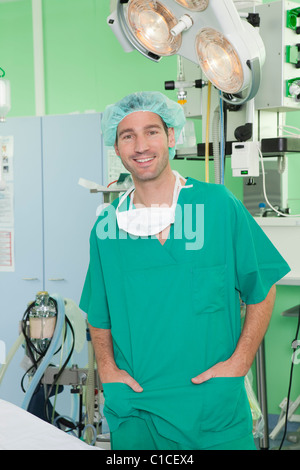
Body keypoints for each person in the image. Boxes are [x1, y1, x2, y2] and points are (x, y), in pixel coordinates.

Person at [80, 91, 290, 451]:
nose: (141, 145)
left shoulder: (218, 206)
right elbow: (99, 314)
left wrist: (240, 362)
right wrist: (109, 371)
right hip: (137, 411)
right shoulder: (107, 227)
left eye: (152, 132)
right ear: (116, 148)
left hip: (211, 409)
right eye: (127, 135)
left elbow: (263, 286)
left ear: (172, 137)